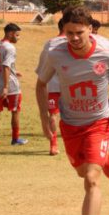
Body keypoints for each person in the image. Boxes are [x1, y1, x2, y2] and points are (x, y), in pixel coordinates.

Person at [35, 7, 109, 215]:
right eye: (70, 33)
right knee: (82, 172)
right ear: (63, 31)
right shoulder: (55, 53)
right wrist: (45, 121)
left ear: (90, 29)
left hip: (98, 122)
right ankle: (106, 159)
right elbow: (41, 84)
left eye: (80, 32)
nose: (75, 38)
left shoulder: (108, 50)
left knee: (91, 179)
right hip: (70, 124)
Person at [0, 23, 27, 148]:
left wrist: (15, 70)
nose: (18, 38)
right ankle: (15, 139)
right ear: (10, 34)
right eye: (17, 35)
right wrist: (6, 87)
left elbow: (3, 64)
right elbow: (5, 66)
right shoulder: (10, 48)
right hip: (11, 86)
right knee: (15, 111)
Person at [35, 14, 70, 155]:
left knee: (53, 114)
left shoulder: (50, 43)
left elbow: (41, 70)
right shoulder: (76, 42)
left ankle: (53, 145)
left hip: (53, 86)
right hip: (71, 86)